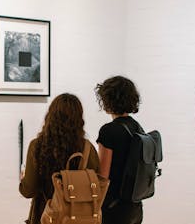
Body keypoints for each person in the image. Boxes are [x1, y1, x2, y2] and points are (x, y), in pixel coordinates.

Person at [19, 93, 100, 224]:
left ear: (50, 116)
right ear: (79, 118)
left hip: (45, 216)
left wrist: (23, 179)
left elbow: (29, 190)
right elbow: (96, 183)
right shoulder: (87, 148)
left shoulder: (37, 146)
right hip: (78, 218)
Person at [95, 76, 143, 224]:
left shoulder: (109, 131)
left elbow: (102, 176)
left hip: (113, 207)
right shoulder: (137, 127)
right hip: (134, 206)